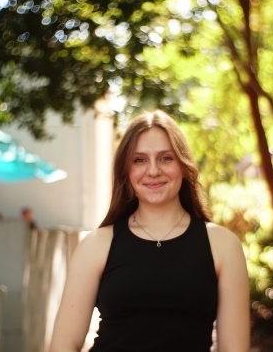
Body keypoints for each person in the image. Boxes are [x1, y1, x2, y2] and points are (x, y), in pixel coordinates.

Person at [49, 110, 250, 352]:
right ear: (126, 171)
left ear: (183, 166)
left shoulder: (222, 245)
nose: (153, 170)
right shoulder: (96, 245)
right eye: (139, 160)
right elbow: (63, 346)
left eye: (166, 158)